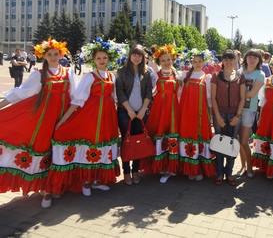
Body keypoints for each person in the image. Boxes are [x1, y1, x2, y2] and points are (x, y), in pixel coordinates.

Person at [45, 40, 122, 207]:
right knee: (90, 145)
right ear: (93, 59)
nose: (102, 60)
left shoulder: (112, 76)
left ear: (109, 59)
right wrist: (64, 120)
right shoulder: (89, 76)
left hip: (108, 116)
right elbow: (78, 100)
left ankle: (96, 179)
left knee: (101, 145)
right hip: (90, 115)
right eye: (99, 57)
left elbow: (115, 98)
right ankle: (86, 181)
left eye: (105, 57)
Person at [0, 38, 77, 204]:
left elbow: (76, 97)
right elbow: (21, 93)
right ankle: (46, 190)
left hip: (64, 117)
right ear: (44, 56)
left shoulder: (68, 72)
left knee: (60, 151)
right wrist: (1, 105)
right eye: (49, 54)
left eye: (56, 54)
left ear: (61, 54)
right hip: (44, 119)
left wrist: (68, 118)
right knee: (44, 149)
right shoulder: (39, 74)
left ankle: (58, 185)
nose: (53, 57)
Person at [116, 45, 153, 185]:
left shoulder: (147, 72)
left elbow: (149, 91)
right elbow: (120, 91)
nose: (137, 58)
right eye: (134, 55)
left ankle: (135, 170)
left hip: (141, 112)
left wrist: (143, 109)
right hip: (125, 112)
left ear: (143, 57)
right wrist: (129, 109)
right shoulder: (122, 71)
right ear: (130, 56)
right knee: (127, 141)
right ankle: (126, 171)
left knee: (138, 141)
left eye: (139, 55)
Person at [145, 44, 180, 183]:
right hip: (159, 108)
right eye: (163, 60)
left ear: (173, 59)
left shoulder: (178, 74)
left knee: (171, 135)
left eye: (169, 59)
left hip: (173, 109)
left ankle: (171, 168)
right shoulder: (155, 75)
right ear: (159, 62)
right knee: (159, 133)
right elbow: (151, 91)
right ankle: (161, 167)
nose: (166, 62)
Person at [178, 49, 216, 180]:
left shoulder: (207, 77)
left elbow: (210, 98)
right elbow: (179, 94)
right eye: (195, 61)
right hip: (187, 113)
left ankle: (199, 169)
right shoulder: (184, 75)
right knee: (188, 136)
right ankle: (190, 169)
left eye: (200, 61)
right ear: (191, 62)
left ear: (204, 62)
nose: (197, 63)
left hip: (201, 114)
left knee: (200, 136)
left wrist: (210, 115)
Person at [211, 49, 245, 186]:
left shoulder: (240, 76)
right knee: (219, 144)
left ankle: (229, 173)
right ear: (222, 61)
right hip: (220, 114)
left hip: (234, 115)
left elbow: (242, 98)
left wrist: (237, 116)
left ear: (235, 60)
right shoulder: (216, 76)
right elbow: (213, 98)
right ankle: (219, 173)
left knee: (232, 144)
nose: (228, 62)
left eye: (231, 59)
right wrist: (218, 116)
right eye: (226, 59)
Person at [237, 49, 265, 178]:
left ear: (259, 60)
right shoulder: (238, 72)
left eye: (255, 57)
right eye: (250, 57)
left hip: (249, 110)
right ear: (246, 58)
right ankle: (243, 166)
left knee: (244, 141)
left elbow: (252, 93)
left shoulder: (260, 74)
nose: (252, 59)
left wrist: (235, 95)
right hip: (235, 110)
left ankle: (249, 167)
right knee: (238, 140)